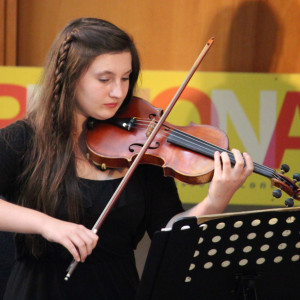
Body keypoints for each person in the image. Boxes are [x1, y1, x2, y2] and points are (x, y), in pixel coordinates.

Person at [0, 18, 253, 300]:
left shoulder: (143, 145)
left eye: (126, 78)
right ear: (69, 78)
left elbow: (167, 232)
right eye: (104, 79)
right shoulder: (24, 139)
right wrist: (48, 224)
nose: (118, 92)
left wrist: (215, 200)